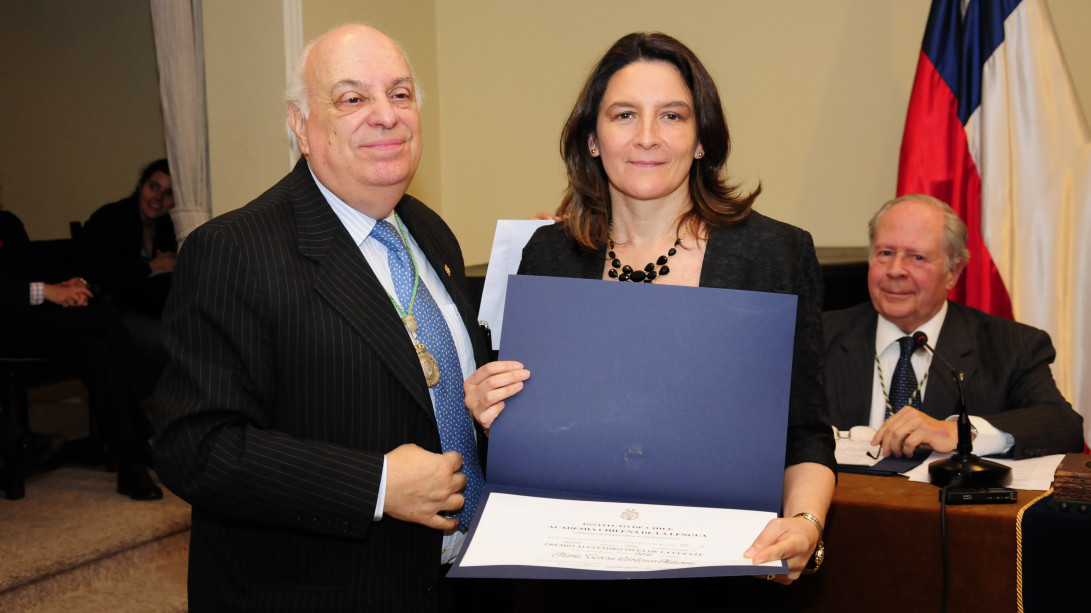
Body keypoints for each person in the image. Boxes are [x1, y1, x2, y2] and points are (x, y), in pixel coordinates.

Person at [464, 32, 836, 608]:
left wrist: (806, 524)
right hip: (576, 577)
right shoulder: (548, 255)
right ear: (592, 139)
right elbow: (533, 436)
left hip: (728, 575)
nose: (646, 137)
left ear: (702, 139)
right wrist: (494, 412)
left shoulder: (775, 253)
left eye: (671, 115)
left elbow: (806, 429)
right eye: (623, 115)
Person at [154, 24, 493, 611]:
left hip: (458, 578)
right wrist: (378, 486)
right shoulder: (234, 250)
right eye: (352, 98)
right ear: (300, 125)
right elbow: (194, 448)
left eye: (401, 94)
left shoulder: (431, 231)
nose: (386, 116)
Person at [823, 194, 1084, 459]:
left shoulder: (1011, 345)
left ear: (953, 273)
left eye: (917, 257)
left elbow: (1063, 425)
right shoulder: (817, 337)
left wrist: (961, 432)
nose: (896, 270)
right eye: (886, 253)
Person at [1, 206, 161, 500]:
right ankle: (142, 422)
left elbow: (37, 264)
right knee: (101, 318)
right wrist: (46, 292)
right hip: (3, 334)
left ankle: (130, 465)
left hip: (29, 322)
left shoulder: (7, 222)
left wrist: (72, 283)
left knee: (94, 348)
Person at [78, 158, 177, 364]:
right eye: (153, 187)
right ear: (141, 186)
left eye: (168, 194)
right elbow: (100, 277)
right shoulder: (111, 219)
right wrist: (151, 267)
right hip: (110, 309)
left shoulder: (168, 227)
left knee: (201, 335)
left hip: (152, 308)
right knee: (173, 343)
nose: (159, 197)